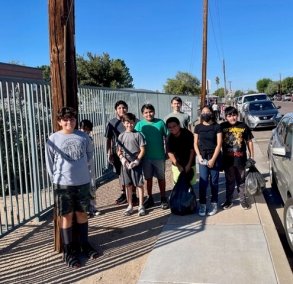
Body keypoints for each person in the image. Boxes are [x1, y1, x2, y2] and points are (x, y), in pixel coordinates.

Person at [45, 107, 99, 268]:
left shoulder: (83, 137)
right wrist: (55, 180)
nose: (69, 122)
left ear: (76, 120)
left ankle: (84, 244)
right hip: (63, 184)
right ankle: (69, 250)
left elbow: (89, 155)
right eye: (66, 120)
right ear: (60, 121)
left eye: (72, 119)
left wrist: (82, 170)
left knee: (82, 214)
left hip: (82, 182)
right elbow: (49, 163)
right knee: (66, 216)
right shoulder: (53, 139)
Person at [134, 104, 169, 209]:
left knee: (161, 178)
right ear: (142, 114)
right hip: (146, 157)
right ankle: (150, 198)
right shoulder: (140, 125)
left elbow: (167, 137)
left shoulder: (160, 123)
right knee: (148, 178)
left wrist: (167, 151)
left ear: (154, 111)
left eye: (150, 111)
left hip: (159, 156)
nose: (148, 114)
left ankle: (163, 197)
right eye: (146, 112)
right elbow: (134, 138)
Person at [105, 100, 138, 205]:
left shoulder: (134, 121)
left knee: (132, 173)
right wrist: (109, 152)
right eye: (119, 108)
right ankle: (124, 193)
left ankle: (133, 195)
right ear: (116, 110)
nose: (122, 110)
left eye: (124, 108)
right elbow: (108, 139)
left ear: (127, 109)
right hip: (118, 153)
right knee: (121, 174)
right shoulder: (112, 123)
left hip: (132, 153)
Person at [220, 106, 254, 210]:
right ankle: (228, 201)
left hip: (241, 160)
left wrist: (252, 156)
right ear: (226, 117)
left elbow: (249, 141)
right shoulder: (222, 126)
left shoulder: (243, 126)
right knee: (229, 181)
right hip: (227, 160)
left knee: (241, 181)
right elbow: (217, 142)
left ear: (237, 115)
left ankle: (243, 201)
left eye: (234, 115)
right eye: (229, 116)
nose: (232, 118)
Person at [194, 105, 222, 216]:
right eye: (203, 112)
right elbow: (195, 143)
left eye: (208, 112)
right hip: (202, 157)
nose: (206, 114)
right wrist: (199, 157)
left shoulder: (217, 127)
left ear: (212, 113)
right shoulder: (198, 127)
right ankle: (202, 204)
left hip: (214, 156)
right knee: (203, 182)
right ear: (201, 114)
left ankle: (214, 203)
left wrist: (213, 159)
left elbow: (219, 144)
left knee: (214, 182)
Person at [116, 113, 146, 216]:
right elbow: (118, 150)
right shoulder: (121, 136)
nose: (130, 125)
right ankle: (130, 205)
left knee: (139, 184)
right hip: (126, 164)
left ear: (134, 122)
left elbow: (142, 149)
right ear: (124, 123)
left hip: (136, 163)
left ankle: (141, 205)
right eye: (127, 122)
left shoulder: (138, 135)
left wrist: (137, 160)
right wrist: (122, 159)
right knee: (128, 185)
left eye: (132, 122)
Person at [166, 117, 197, 191]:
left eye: (174, 126)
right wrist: (178, 166)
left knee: (190, 185)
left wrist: (189, 165)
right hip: (177, 165)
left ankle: (190, 200)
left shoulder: (187, 134)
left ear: (179, 125)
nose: (172, 128)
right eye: (170, 127)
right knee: (178, 184)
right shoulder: (169, 138)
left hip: (190, 164)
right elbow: (170, 153)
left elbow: (192, 150)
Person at [79, 119, 102, 217]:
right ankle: (84, 209)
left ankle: (92, 207)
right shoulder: (77, 138)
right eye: (83, 129)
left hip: (89, 165)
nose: (85, 131)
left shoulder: (90, 139)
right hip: (80, 166)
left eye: (87, 129)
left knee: (92, 186)